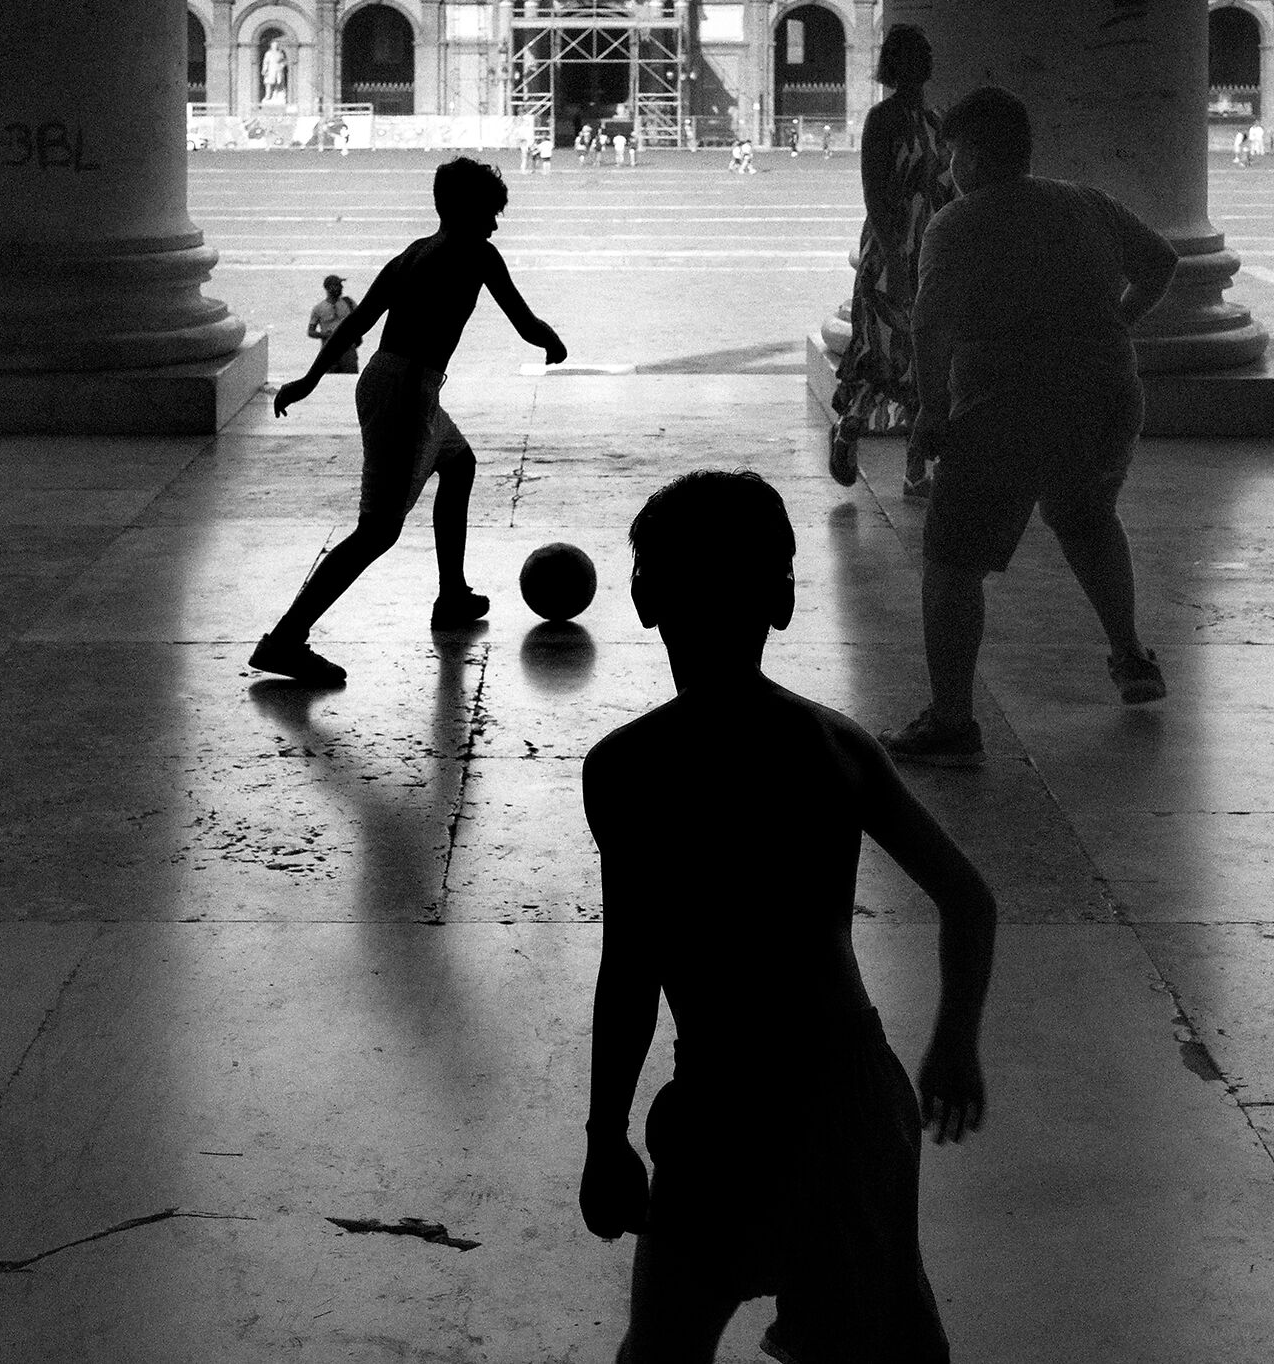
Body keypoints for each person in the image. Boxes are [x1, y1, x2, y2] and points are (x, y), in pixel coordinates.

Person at [579, 470, 995, 1364]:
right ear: (785, 600)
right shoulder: (836, 745)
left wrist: (606, 1135)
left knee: (661, 1346)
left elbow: (631, 974)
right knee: (875, 1340)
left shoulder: (629, 767)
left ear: (645, 599)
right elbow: (968, 897)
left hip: (723, 1099)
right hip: (847, 1095)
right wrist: (953, 1040)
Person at [884, 86, 1179, 764]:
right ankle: (1132, 658)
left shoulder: (956, 225)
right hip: (1106, 395)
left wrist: (931, 408)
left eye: (953, 152)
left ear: (976, 155)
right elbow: (1161, 262)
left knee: (952, 562)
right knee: (1086, 518)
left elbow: (931, 325)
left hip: (1006, 404)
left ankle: (952, 722)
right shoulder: (1084, 202)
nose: (948, 166)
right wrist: (1118, 322)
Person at [250, 158, 568, 687]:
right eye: (490, 213)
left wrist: (309, 380)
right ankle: (285, 640)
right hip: (406, 391)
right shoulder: (478, 254)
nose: (494, 225)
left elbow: (359, 320)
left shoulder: (413, 253)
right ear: (467, 211)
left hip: (389, 379)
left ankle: (452, 595)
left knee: (459, 463)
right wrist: (552, 343)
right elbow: (523, 318)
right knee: (376, 532)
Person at [829, 23, 952, 500]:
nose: (925, 63)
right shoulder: (881, 120)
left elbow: (946, 185)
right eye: (917, 54)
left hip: (929, 248)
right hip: (891, 251)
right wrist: (896, 261)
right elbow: (875, 195)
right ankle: (850, 428)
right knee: (882, 355)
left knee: (925, 363)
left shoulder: (937, 120)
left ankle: (915, 472)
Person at [307, 274, 360, 373]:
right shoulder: (318, 308)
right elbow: (311, 331)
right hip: (329, 351)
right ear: (328, 288)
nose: (341, 287)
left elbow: (361, 320)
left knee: (351, 378)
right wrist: (325, 335)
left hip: (348, 350)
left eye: (340, 285)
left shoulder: (349, 303)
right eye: (337, 285)